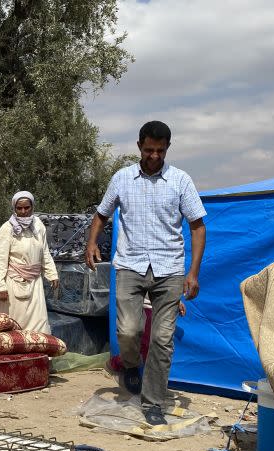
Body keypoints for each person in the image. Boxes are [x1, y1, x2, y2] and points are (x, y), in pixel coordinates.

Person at [85, 120, 207, 426]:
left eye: (160, 151)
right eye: (149, 149)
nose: (154, 156)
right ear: (139, 146)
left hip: (170, 269)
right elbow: (101, 214)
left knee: (163, 339)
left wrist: (192, 273)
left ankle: (154, 401)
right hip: (130, 265)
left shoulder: (181, 181)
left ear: (167, 149)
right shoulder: (122, 178)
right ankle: (129, 364)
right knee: (128, 330)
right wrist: (91, 243)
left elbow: (197, 227)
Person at [0, 191, 59, 333]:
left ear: (32, 207)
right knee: (14, 322)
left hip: (35, 284)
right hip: (13, 283)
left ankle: (37, 352)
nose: (23, 211)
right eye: (19, 208)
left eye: (27, 208)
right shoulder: (7, 229)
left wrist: (52, 273)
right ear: (14, 209)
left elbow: (44, 251)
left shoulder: (38, 226)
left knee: (37, 323)